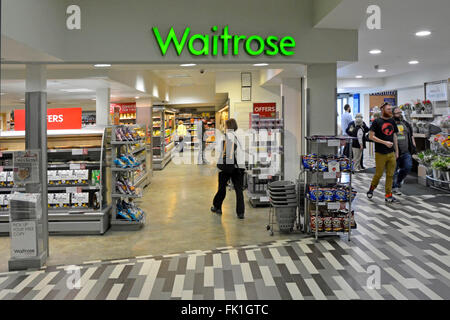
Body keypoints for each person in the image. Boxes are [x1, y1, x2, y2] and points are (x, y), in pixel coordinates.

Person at [211, 119, 245, 219]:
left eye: (225, 125)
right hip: (239, 167)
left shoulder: (225, 137)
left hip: (226, 167)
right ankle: (240, 213)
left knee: (222, 188)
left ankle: (217, 207)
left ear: (227, 126)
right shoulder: (240, 136)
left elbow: (219, 151)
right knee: (239, 190)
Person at [366, 103, 399, 203]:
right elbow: (371, 137)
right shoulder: (376, 122)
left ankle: (388, 195)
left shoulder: (392, 121)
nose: (390, 111)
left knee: (390, 175)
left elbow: (394, 137)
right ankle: (371, 189)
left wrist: (396, 151)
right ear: (382, 110)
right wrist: (385, 142)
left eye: (391, 109)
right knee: (378, 174)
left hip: (391, 153)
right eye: (388, 109)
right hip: (380, 153)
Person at [392, 106, 416, 195]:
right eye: (397, 113)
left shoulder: (405, 123)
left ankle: (398, 180)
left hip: (406, 151)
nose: (399, 114)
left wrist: (413, 144)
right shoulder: (391, 124)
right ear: (393, 114)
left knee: (408, 167)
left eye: (400, 113)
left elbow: (411, 135)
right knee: (393, 170)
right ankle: (394, 187)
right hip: (394, 152)